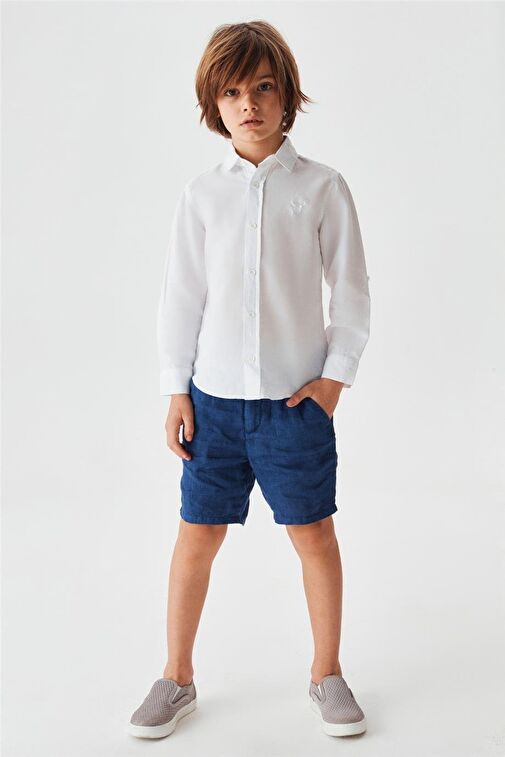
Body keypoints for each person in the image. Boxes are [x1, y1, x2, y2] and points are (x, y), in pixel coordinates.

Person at [128, 19, 371, 740]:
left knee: (313, 534)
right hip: (213, 407)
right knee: (195, 536)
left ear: (286, 94)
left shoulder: (322, 188)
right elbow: (181, 297)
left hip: (295, 407)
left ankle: (327, 672)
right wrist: (176, 388)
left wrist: (332, 382)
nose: (248, 104)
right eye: (232, 92)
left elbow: (351, 291)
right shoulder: (202, 195)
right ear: (214, 103)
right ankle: (176, 677)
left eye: (262, 88)